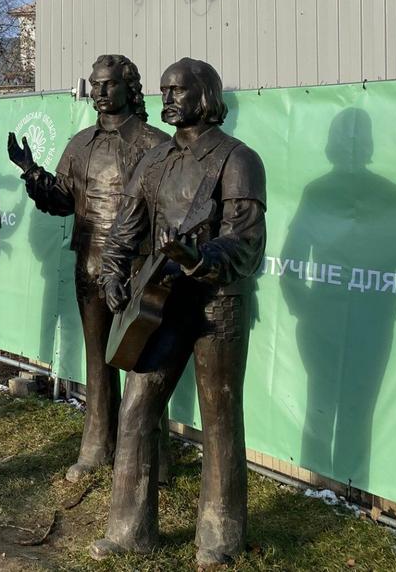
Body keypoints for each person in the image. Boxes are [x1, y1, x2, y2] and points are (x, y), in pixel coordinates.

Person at [92, 58, 266, 567]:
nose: (167, 99)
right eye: (164, 90)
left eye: (179, 91)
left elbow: (246, 242)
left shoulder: (238, 159)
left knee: (220, 416)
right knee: (135, 409)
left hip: (218, 304)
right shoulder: (155, 160)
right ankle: (130, 530)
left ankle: (220, 537)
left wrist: (200, 257)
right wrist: (112, 274)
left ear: (205, 96)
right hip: (160, 301)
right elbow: (125, 229)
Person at [8, 54, 167, 481]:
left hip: (139, 266)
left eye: (109, 84)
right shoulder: (80, 144)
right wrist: (31, 172)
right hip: (90, 263)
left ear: (130, 88)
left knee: (143, 361)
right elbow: (63, 200)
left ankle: (150, 456)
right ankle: (98, 446)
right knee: (98, 359)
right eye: (95, 84)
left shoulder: (155, 144)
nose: (100, 91)